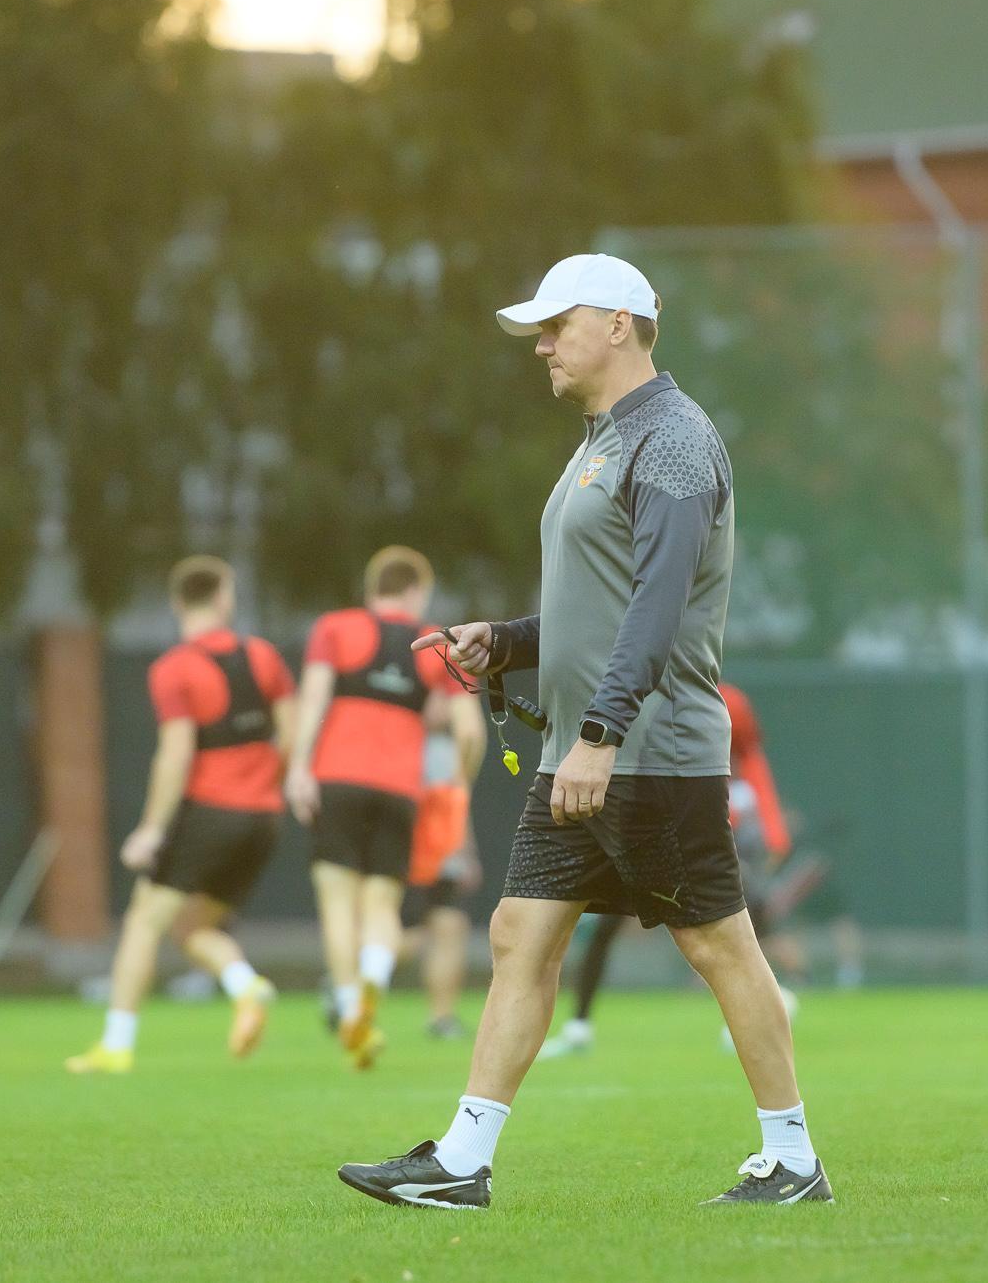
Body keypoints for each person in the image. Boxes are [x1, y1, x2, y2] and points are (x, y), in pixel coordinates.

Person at [336, 254, 832, 1209]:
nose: (542, 346)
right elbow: (593, 609)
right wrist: (506, 642)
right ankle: (463, 1162)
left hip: (648, 753)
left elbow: (658, 604)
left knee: (720, 948)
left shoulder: (674, 439)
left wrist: (601, 733)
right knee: (519, 935)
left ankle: (794, 1159)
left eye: (556, 326)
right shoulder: (602, 440)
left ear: (617, 324)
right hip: (583, 752)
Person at [67, 556, 295, 1075]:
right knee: (192, 927)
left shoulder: (174, 668)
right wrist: (268, 783)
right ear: (223, 597)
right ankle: (246, 985)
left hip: (208, 814)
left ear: (177, 603)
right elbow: (292, 732)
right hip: (263, 817)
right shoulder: (263, 656)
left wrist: (151, 829)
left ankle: (116, 1045)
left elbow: (175, 754)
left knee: (143, 920)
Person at [537, 680, 814, 1059]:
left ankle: (764, 1006)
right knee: (606, 926)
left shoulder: (728, 701)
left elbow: (749, 758)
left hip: (699, 828)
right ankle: (579, 1027)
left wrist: (771, 826)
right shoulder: (627, 693)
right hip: (638, 826)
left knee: (731, 926)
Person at [286, 546, 482, 1069]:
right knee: (381, 904)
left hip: (337, 779)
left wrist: (299, 767)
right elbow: (469, 732)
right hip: (400, 790)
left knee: (337, 901)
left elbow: (313, 700)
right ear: (416, 590)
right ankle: (374, 979)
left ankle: (352, 1006)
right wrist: (457, 786)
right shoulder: (436, 643)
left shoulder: (334, 629)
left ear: (373, 586)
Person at [399, 706, 486, 1040]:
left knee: (451, 928)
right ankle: (347, 981)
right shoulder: (406, 743)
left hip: (446, 857)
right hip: (413, 858)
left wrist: (465, 852)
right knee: (407, 939)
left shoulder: (448, 748)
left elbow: (457, 806)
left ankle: (442, 1017)